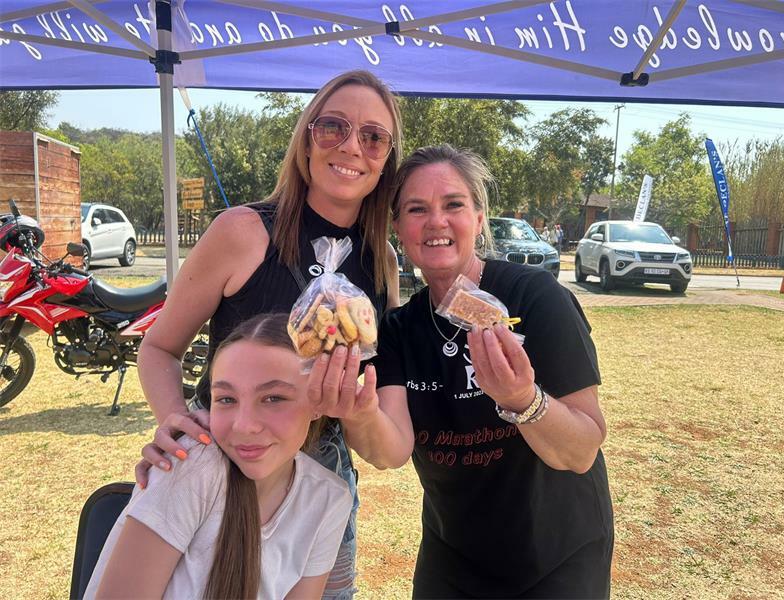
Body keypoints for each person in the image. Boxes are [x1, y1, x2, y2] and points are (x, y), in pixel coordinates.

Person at [135, 70, 403, 598]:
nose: (352, 147)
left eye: (373, 137)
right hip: (226, 461)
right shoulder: (242, 232)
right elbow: (160, 348)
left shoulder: (383, 262)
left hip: (323, 472)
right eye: (333, 127)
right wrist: (175, 420)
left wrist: (357, 409)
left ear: (386, 161)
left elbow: (383, 435)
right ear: (306, 140)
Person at [313, 145, 613, 598]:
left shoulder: (535, 297)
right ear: (398, 228)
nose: (436, 221)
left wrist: (522, 399)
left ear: (478, 218)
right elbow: (392, 451)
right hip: (453, 558)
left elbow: (581, 451)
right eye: (417, 209)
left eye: (453, 204)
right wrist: (357, 412)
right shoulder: (398, 329)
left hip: (557, 556)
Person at [85, 313, 353, 599]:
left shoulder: (329, 499)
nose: (244, 426)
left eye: (273, 398)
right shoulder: (194, 467)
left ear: (318, 402)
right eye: (226, 399)